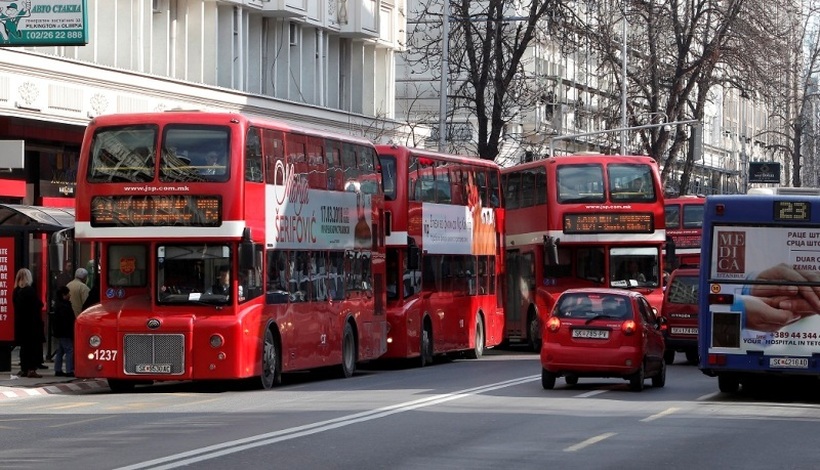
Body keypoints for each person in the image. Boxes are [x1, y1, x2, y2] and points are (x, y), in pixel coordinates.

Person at [12, 268, 44, 378]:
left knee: (24, 348)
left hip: (20, 324)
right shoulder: (29, 290)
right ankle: (31, 369)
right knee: (32, 347)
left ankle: (24, 369)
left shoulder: (16, 291)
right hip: (32, 324)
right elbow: (38, 305)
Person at [51, 286, 75, 377]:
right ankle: (69, 370)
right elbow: (67, 320)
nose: (69, 295)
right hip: (65, 332)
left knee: (60, 350)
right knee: (69, 350)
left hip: (60, 331)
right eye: (67, 293)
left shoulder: (59, 305)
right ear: (63, 295)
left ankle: (58, 369)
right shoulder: (64, 306)